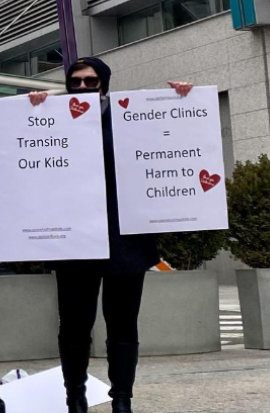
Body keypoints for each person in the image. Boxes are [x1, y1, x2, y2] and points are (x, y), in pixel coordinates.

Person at [28, 57, 193, 413]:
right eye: (76, 82)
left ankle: (121, 399)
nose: (84, 87)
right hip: (72, 241)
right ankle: (76, 397)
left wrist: (184, 102)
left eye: (91, 81)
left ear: (104, 84)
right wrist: (33, 112)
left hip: (126, 240)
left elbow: (174, 141)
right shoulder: (53, 117)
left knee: (123, 326)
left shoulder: (129, 117)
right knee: (73, 326)